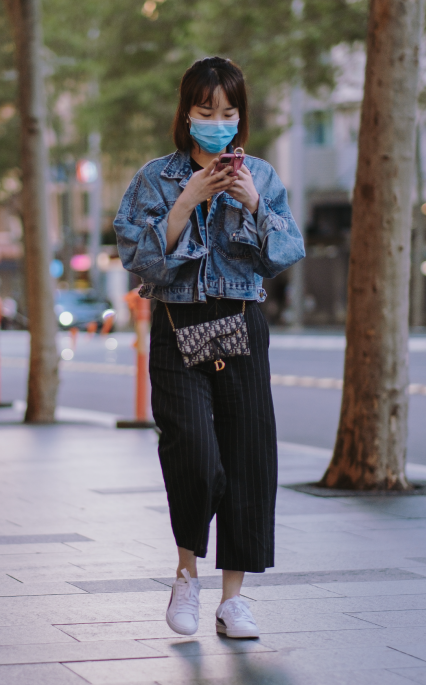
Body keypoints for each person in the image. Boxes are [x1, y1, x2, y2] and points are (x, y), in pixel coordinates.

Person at [113, 57, 304, 639]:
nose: (218, 121)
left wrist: (252, 204)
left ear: (240, 116)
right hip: (177, 325)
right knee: (193, 450)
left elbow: (287, 251)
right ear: (187, 114)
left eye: (228, 111)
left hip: (243, 323)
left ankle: (234, 599)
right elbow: (137, 259)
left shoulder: (263, 177)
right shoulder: (154, 179)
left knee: (248, 460)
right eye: (205, 111)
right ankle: (185, 574)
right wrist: (185, 201)